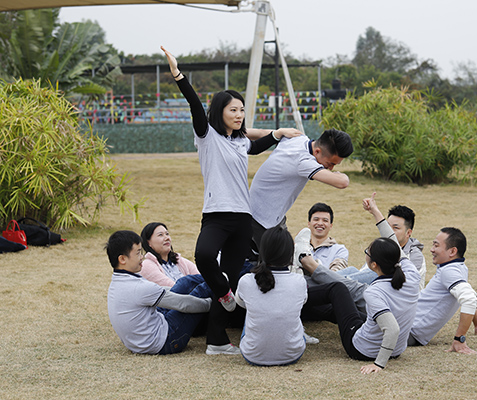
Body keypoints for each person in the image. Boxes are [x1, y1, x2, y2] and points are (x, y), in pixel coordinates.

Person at [161, 46, 300, 355]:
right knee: (205, 256)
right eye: (233, 110)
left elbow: (256, 147)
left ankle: (217, 341)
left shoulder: (239, 142)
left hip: (242, 218)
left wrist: (278, 134)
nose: (239, 115)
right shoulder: (207, 136)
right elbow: (195, 105)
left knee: (233, 275)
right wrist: (178, 74)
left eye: (241, 110)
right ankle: (224, 294)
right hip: (216, 214)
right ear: (220, 111)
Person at [300, 237, 420, 374]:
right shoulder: (412, 275)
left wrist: (379, 364)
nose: (366, 253)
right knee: (339, 309)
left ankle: (297, 300)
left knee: (338, 289)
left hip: (361, 350)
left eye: (367, 252)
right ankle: (302, 310)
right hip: (396, 350)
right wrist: (378, 221)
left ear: (374, 265)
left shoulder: (374, 292)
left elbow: (392, 329)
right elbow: (394, 243)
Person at [105, 230, 212, 355]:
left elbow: (163, 293)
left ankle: (218, 277)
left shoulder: (118, 282)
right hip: (166, 340)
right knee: (202, 290)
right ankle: (222, 280)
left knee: (185, 282)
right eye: (138, 253)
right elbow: (183, 304)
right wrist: (209, 304)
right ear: (122, 259)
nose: (142, 257)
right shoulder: (139, 287)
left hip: (142, 340)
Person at [249, 128, 354, 249]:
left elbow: (261, 133)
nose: (330, 168)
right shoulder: (304, 161)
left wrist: (279, 132)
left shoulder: (297, 138)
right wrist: (340, 175)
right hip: (261, 220)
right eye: (331, 163)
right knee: (275, 258)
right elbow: (342, 182)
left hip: (267, 213)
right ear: (317, 151)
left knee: (286, 254)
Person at [408, 227, 477, 353]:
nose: (432, 249)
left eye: (436, 245)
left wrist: (459, 339)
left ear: (452, 251)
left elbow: (469, 299)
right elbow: (461, 296)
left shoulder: (449, 272)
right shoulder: (459, 267)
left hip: (409, 330)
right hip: (406, 324)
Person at [234, 226, 308, 366]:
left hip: (253, 355)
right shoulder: (299, 281)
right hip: (292, 354)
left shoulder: (247, 280)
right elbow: (303, 302)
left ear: (262, 250)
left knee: (251, 311)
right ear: (290, 253)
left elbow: (240, 303)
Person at [340, 193, 427, 289]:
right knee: (351, 270)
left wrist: (375, 211)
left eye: (395, 228)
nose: (390, 231)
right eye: (387, 226)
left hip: (391, 292)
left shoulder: (415, 256)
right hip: (369, 288)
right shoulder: (382, 248)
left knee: (376, 272)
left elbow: (403, 281)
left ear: (408, 232)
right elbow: (363, 273)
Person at [140, 222, 210, 298]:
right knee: (186, 281)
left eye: (167, 234)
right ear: (148, 243)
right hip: (172, 303)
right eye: (160, 235)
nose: (167, 238)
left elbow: (201, 277)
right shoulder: (147, 265)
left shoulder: (179, 260)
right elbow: (174, 291)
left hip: (193, 299)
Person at [292, 202, 349, 273]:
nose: (320, 223)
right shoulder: (297, 247)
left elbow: (336, 275)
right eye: (316, 219)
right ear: (309, 223)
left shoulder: (339, 250)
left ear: (331, 226)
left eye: (325, 220)